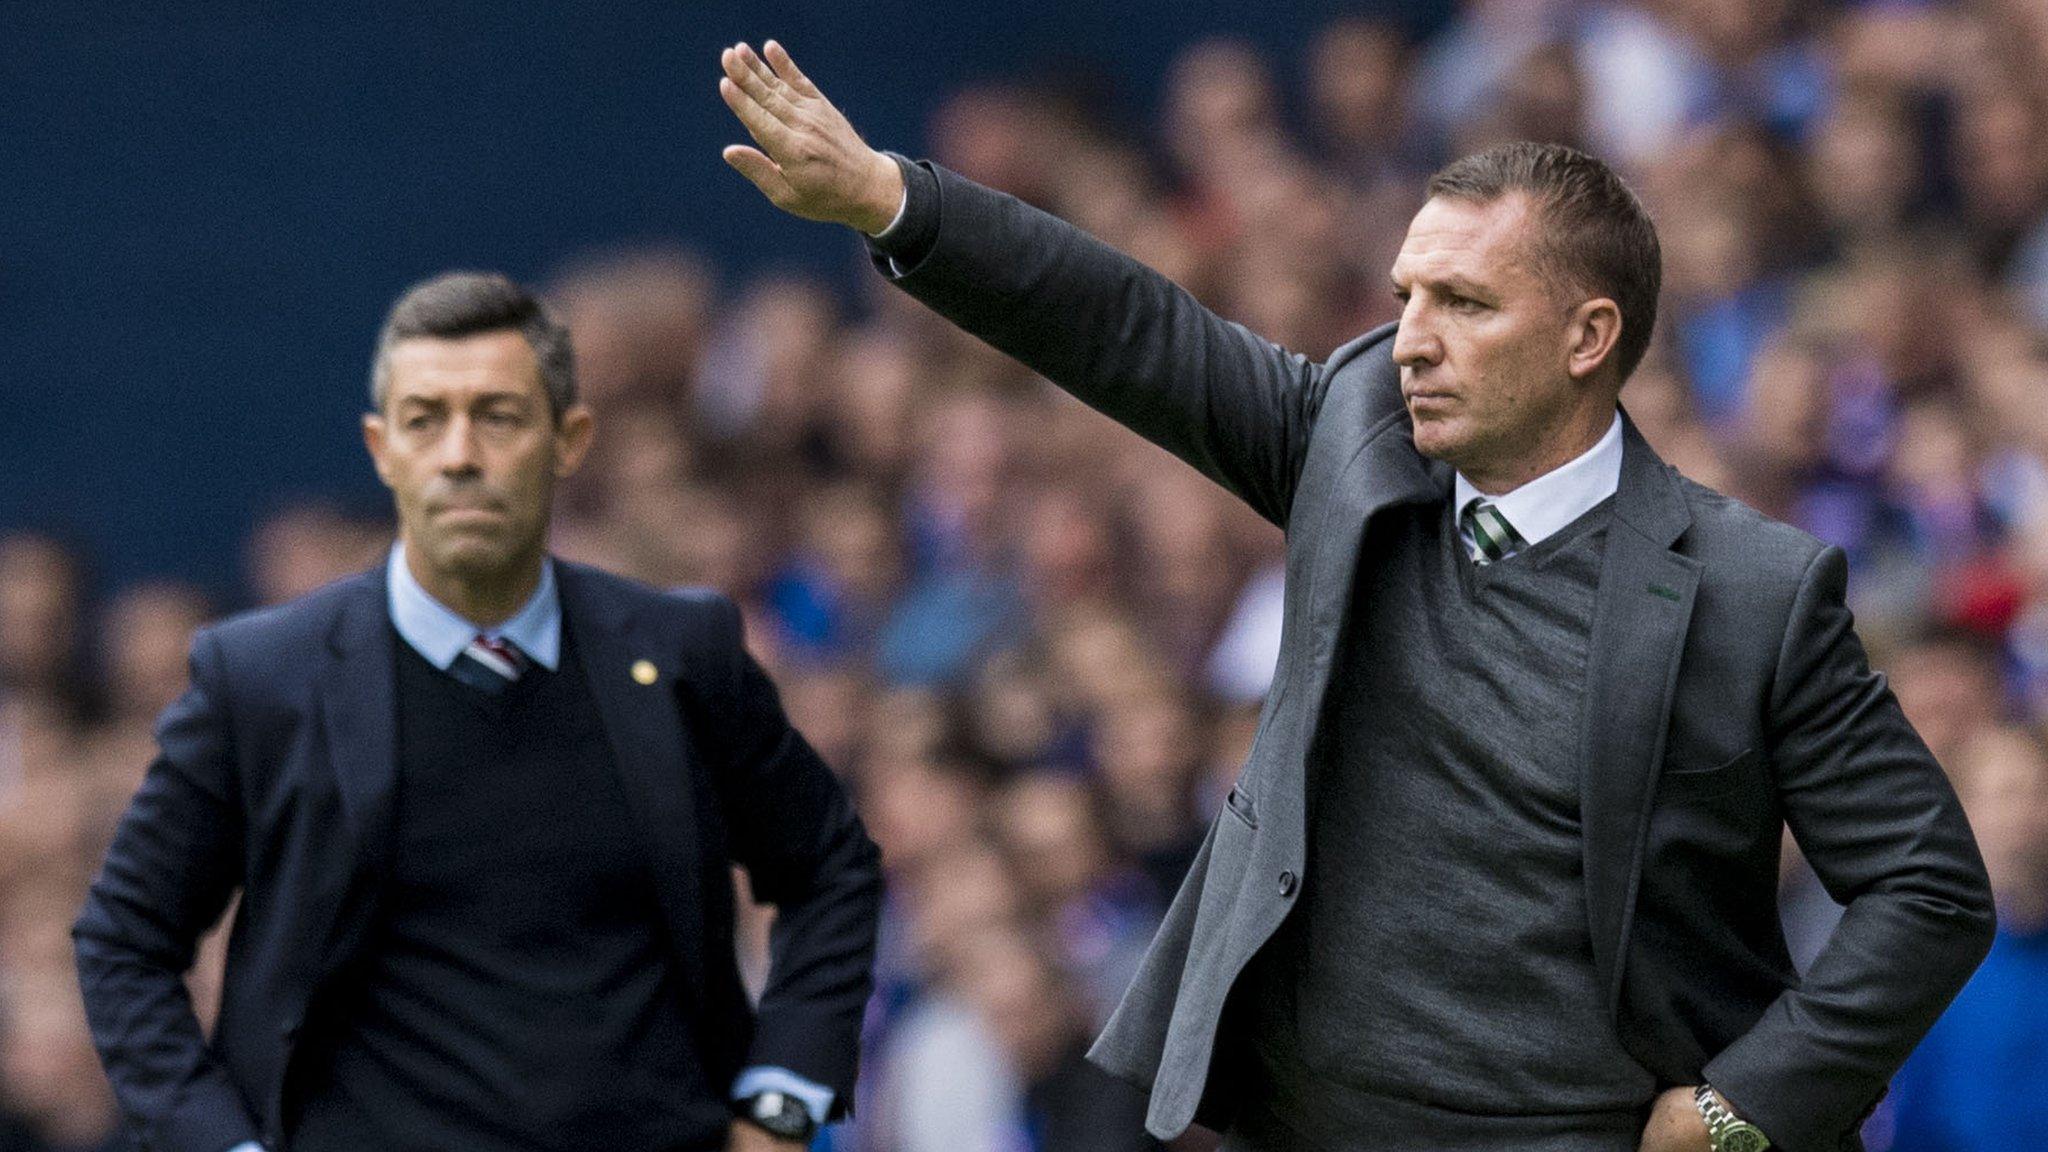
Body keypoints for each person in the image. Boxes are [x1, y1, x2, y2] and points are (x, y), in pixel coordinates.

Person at [714, 39, 1996, 1152]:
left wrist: (1732, 1107)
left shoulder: (1752, 593)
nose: (1410, 338)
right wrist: (891, 202)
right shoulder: (1352, 440)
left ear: (1586, 338)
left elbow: (1928, 891)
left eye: (1462, 302)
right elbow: (1126, 327)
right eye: (1404, 298)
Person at [72, 272, 883, 1152]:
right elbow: (123, 942)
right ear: (382, 450)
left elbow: (830, 868)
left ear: (569, 440)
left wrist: (782, 1100)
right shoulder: (263, 681)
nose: (460, 454)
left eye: (498, 416)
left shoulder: (682, 653)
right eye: (426, 421)